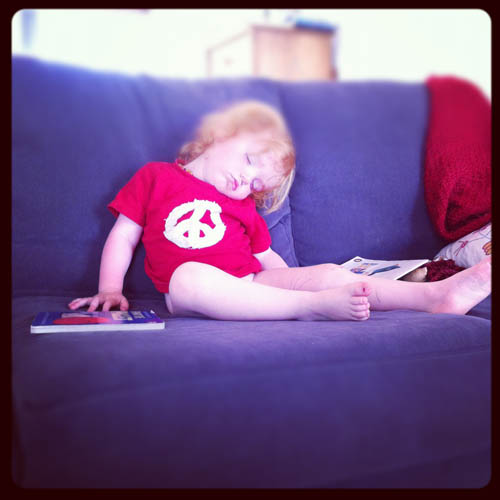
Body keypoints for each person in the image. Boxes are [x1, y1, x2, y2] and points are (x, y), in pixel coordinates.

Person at [68, 100, 491, 321]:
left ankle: (435, 297)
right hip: (192, 290)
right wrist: (110, 289)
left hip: (254, 280)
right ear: (220, 133)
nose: (245, 182)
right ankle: (309, 308)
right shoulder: (155, 176)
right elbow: (124, 235)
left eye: (257, 184)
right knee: (188, 276)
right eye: (249, 160)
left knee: (329, 274)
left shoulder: (241, 207)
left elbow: (267, 258)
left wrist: (304, 281)